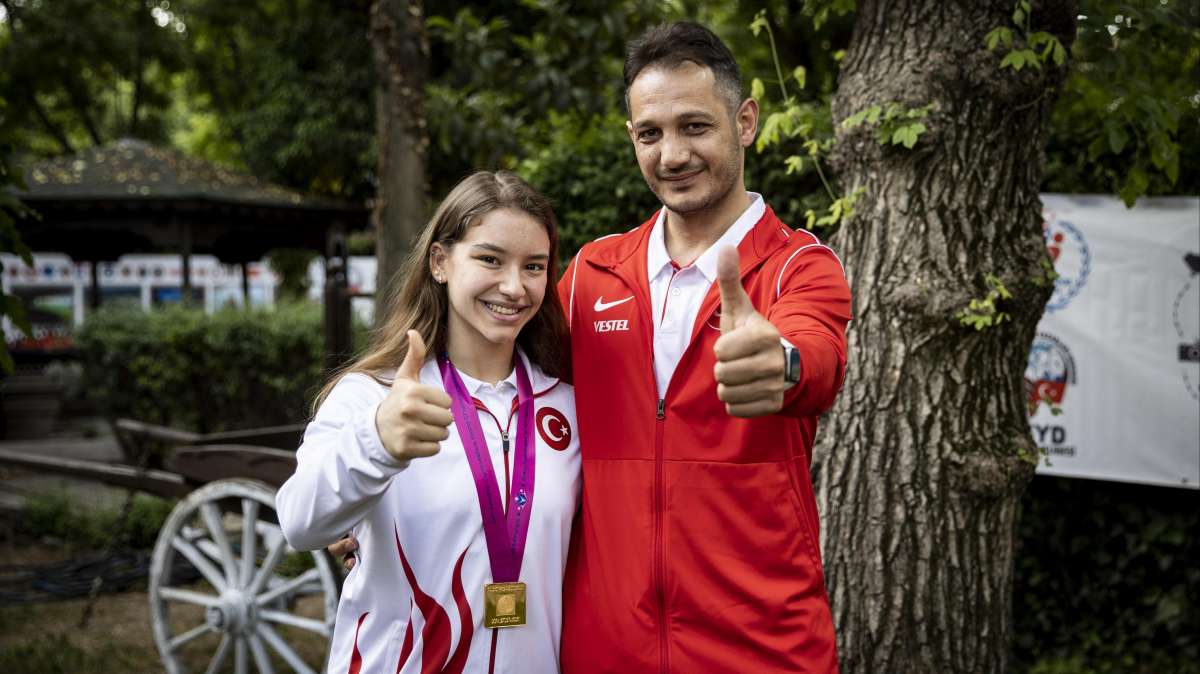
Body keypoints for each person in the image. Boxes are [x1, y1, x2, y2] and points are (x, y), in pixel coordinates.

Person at [556, 22, 851, 673]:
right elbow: (492, 386)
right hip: (606, 648)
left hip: (763, 649)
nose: (672, 155)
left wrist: (784, 365)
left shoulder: (799, 267)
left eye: (695, 127)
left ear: (745, 121)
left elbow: (817, 359)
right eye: (650, 134)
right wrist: (390, 495)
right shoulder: (588, 276)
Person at [277, 171, 580, 673]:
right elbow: (299, 523)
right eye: (489, 258)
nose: (514, 286)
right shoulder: (373, 395)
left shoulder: (567, 406)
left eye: (534, 266)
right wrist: (377, 443)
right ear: (440, 261)